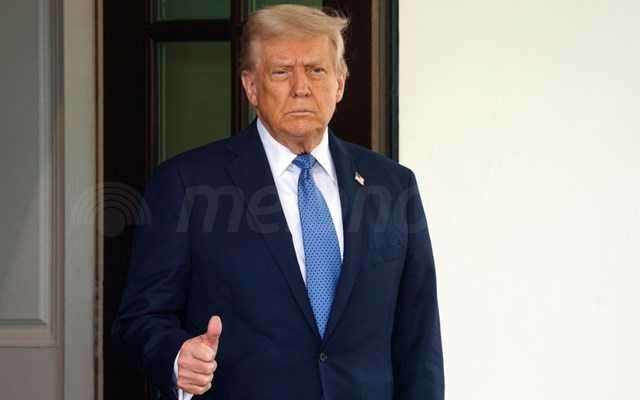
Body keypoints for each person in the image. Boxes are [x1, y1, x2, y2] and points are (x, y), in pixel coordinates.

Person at [112, 4, 444, 400]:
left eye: (316, 70)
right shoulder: (186, 184)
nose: (301, 88)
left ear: (339, 83)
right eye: (281, 72)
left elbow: (418, 337)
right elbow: (140, 318)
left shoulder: (393, 185)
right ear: (251, 86)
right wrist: (176, 356)